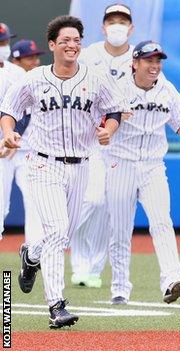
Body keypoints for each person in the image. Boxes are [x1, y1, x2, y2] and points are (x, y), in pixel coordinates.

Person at [1, 15, 127, 329]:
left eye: (76, 40)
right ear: (53, 45)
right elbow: (9, 112)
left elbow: (113, 111)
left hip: (81, 164)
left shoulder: (96, 78)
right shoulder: (33, 79)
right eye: (66, 40)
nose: (72, 45)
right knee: (57, 230)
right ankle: (56, 305)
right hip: (43, 162)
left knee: (63, 235)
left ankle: (31, 254)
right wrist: (8, 132)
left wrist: (109, 129)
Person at [106, 40, 180, 305]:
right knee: (120, 228)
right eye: (148, 60)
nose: (154, 66)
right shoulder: (118, 88)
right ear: (135, 62)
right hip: (121, 162)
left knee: (162, 222)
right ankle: (120, 287)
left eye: (158, 61)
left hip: (153, 165)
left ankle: (171, 280)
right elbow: (105, 118)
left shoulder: (167, 89)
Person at [70, 2, 135, 289]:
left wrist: (132, 106)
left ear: (131, 27)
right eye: (112, 21)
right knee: (91, 199)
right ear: (103, 26)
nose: (117, 26)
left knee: (108, 207)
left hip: (127, 143)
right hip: (93, 138)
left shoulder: (141, 55)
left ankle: (92, 269)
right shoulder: (89, 54)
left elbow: (156, 88)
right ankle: (74, 256)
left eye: (123, 21)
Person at [0, 38, 44, 253]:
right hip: (3, 152)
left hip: (28, 149)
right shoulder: (13, 75)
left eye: (36, 57)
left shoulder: (29, 78)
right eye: (30, 57)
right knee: (1, 207)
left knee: (35, 202)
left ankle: (33, 253)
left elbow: (25, 114)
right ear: (17, 59)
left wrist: (13, 136)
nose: (35, 61)